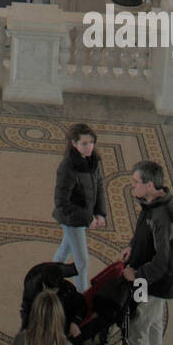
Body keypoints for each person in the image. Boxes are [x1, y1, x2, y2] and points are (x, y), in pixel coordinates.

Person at [120, 160, 173, 345]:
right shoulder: (156, 203)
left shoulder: (162, 215)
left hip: (149, 282)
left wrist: (137, 275)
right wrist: (133, 245)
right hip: (154, 280)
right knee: (154, 323)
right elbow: (144, 232)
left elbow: (162, 260)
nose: (132, 186)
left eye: (135, 182)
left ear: (149, 184)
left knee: (137, 325)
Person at [52, 122, 107, 292]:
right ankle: (83, 295)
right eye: (84, 143)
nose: (89, 147)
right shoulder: (67, 168)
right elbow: (62, 203)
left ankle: (48, 277)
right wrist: (88, 218)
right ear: (74, 144)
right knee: (82, 262)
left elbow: (98, 186)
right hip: (72, 220)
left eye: (91, 142)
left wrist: (100, 213)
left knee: (64, 250)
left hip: (83, 217)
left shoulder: (93, 161)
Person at [20, 261, 86, 336]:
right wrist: (25, 329)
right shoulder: (31, 286)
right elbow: (27, 309)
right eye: (49, 290)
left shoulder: (67, 289)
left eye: (54, 291)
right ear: (43, 285)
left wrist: (75, 322)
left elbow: (81, 305)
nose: (51, 295)